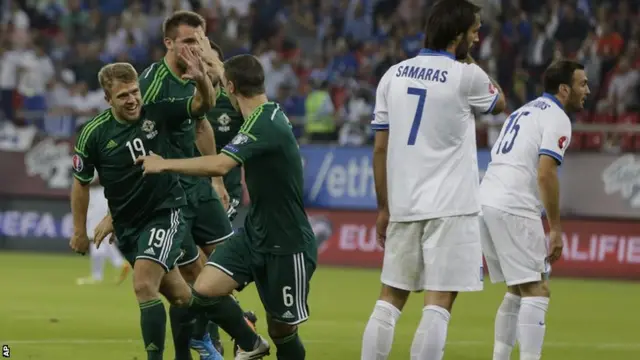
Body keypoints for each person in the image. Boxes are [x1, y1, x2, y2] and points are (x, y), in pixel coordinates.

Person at [69, 58, 269, 360]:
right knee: (183, 295)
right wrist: (79, 231)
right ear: (107, 99)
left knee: (143, 285)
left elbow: (201, 107)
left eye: (135, 92)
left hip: (165, 213)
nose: (132, 99)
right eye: (123, 95)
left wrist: (202, 79)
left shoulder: (157, 112)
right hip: (128, 226)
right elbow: (81, 182)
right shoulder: (94, 133)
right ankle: (245, 330)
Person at [137, 54, 318, 360]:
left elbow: (220, 164)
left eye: (226, 85)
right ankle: (250, 343)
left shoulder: (264, 124)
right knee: (204, 290)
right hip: (254, 234)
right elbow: (232, 78)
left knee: (282, 331)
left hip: (287, 243)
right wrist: (209, 61)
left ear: (231, 87)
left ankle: (261, 342)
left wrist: (164, 164)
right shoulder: (266, 112)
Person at [361, 0, 506, 359]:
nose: (477, 37)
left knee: (390, 299)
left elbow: (380, 149)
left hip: (404, 204)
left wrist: (383, 208)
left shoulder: (393, 75)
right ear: (457, 35)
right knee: (439, 302)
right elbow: (499, 101)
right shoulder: (465, 75)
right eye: (473, 31)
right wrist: (467, 59)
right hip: (452, 208)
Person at [479, 60, 589, 360]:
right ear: (564, 89)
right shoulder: (557, 117)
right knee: (538, 289)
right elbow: (545, 173)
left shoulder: (523, 110)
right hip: (514, 205)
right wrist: (555, 228)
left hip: (487, 198)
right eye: (582, 84)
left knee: (517, 290)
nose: (587, 90)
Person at [75, 175, 130, 286]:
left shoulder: (92, 160)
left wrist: (83, 184)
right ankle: (115, 266)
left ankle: (100, 274)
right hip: (101, 197)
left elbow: (101, 175)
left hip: (97, 196)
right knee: (101, 238)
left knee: (95, 236)